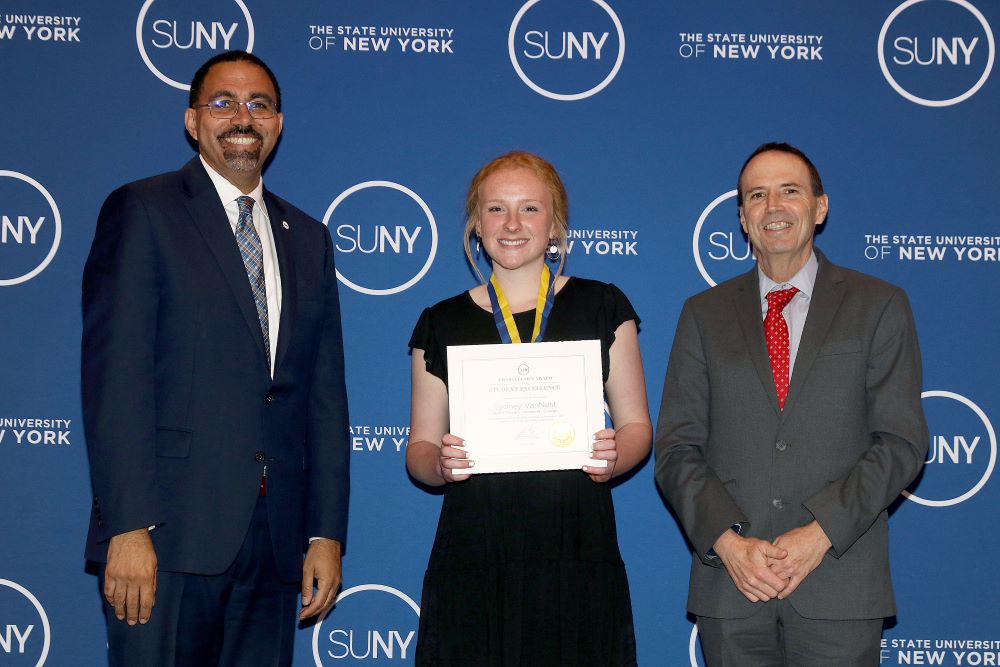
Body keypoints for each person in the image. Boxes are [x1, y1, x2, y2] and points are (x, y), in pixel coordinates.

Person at [81, 50, 350, 666]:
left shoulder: (308, 237)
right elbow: (115, 381)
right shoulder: (143, 210)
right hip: (167, 534)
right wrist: (128, 525)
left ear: (278, 124)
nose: (242, 117)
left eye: (258, 104)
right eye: (222, 102)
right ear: (192, 121)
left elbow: (324, 397)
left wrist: (324, 532)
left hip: (277, 541)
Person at [655, 142, 929, 666]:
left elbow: (902, 441)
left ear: (819, 207)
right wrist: (729, 545)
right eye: (757, 195)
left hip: (840, 584)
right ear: (741, 217)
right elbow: (676, 447)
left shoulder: (879, 304)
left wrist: (819, 534)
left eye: (789, 191)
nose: (773, 206)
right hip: (733, 588)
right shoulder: (703, 315)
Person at [406, 151, 652, 665]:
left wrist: (616, 456)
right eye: (496, 209)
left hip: (576, 543)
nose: (512, 224)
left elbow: (637, 428)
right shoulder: (440, 321)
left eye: (530, 209)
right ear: (477, 225)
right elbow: (420, 451)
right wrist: (440, 464)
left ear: (556, 224)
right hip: (476, 548)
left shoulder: (604, 305)